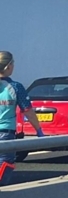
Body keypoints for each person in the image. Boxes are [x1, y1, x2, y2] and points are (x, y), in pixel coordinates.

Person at [0, 51, 44, 186]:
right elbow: (28, 111)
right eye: (13, 64)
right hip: (5, 133)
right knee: (4, 166)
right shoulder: (15, 87)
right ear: (7, 67)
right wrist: (39, 131)